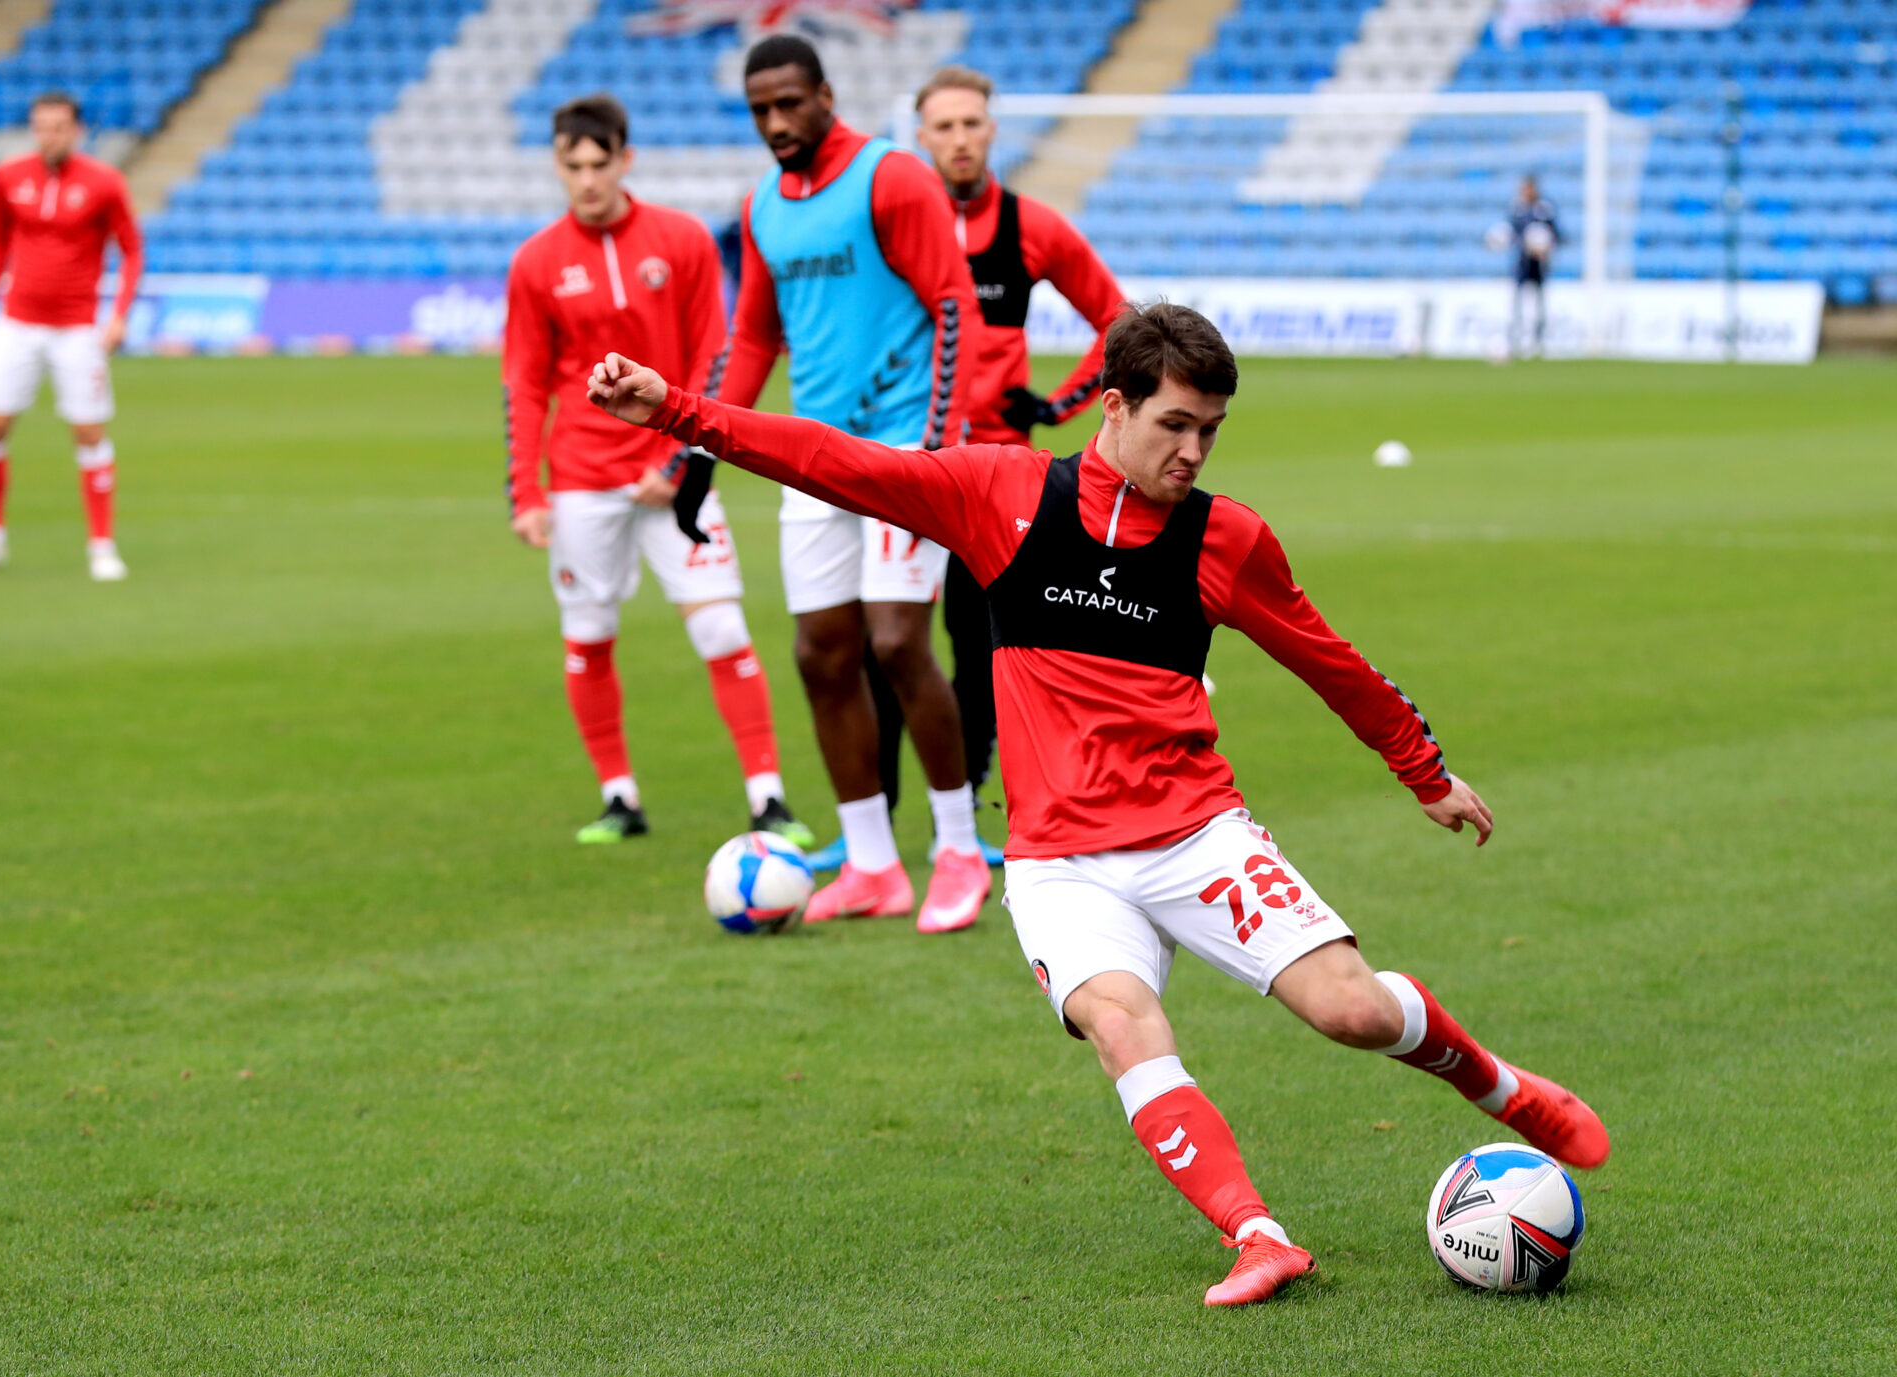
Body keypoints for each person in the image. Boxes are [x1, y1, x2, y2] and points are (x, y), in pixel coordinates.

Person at [585, 302, 1611, 1307]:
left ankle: (1501, 1088)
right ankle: (1256, 1236)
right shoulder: (999, 493)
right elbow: (833, 461)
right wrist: (676, 409)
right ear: (1112, 406)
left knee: (1351, 1010)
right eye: (1175, 424)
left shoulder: (1225, 539)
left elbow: (1326, 659)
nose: (1193, 452)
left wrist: (1423, 773)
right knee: (1121, 1023)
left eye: (1211, 430)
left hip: (1194, 834)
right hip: (1056, 862)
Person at [713, 34, 989, 933]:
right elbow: (755, 336)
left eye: (789, 103)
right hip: (813, 460)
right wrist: (702, 443)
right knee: (821, 654)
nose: (776, 122)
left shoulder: (891, 178)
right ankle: (873, 864)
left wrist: (938, 444)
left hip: (904, 448)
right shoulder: (762, 204)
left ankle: (957, 851)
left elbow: (953, 303)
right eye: (761, 109)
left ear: (825, 96)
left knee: (899, 642)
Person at [502, 94, 812, 847]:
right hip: (581, 480)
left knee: (722, 628)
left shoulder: (680, 240)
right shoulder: (536, 261)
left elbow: (715, 355)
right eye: (572, 166)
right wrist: (526, 491)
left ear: (625, 159)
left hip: (673, 477)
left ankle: (769, 798)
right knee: (588, 633)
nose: (587, 180)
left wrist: (678, 460)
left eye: (598, 163)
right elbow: (526, 382)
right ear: (557, 166)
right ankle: (619, 797)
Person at [912, 64, 1128, 814]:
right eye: (945, 126)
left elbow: (1118, 320)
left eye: (971, 123)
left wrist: (1056, 404)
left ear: (992, 129)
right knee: (888, 641)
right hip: (911, 462)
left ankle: (970, 795)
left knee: (984, 641)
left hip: (998, 474)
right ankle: (881, 818)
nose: (960, 139)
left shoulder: (1031, 226)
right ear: (922, 136)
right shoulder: (898, 224)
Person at [0, 92, 142, 582]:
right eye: (41, 127)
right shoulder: (9, 176)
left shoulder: (104, 182)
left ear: (77, 131)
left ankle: (102, 545)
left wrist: (119, 314)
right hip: (17, 322)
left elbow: (131, 249)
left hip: (77, 327)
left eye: (59, 127)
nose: (49, 136)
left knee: (89, 432)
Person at [1500, 175, 1562, 358]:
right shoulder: (1517, 208)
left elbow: (1556, 234)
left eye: (1529, 189)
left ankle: (1538, 341)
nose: (1526, 192)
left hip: (1539, 263)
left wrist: (1545, 246)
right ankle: (1515, 339)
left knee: (1539, 301)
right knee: (1518, 301)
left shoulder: (1544, 209)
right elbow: (1511, 232)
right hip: (1522, 262)